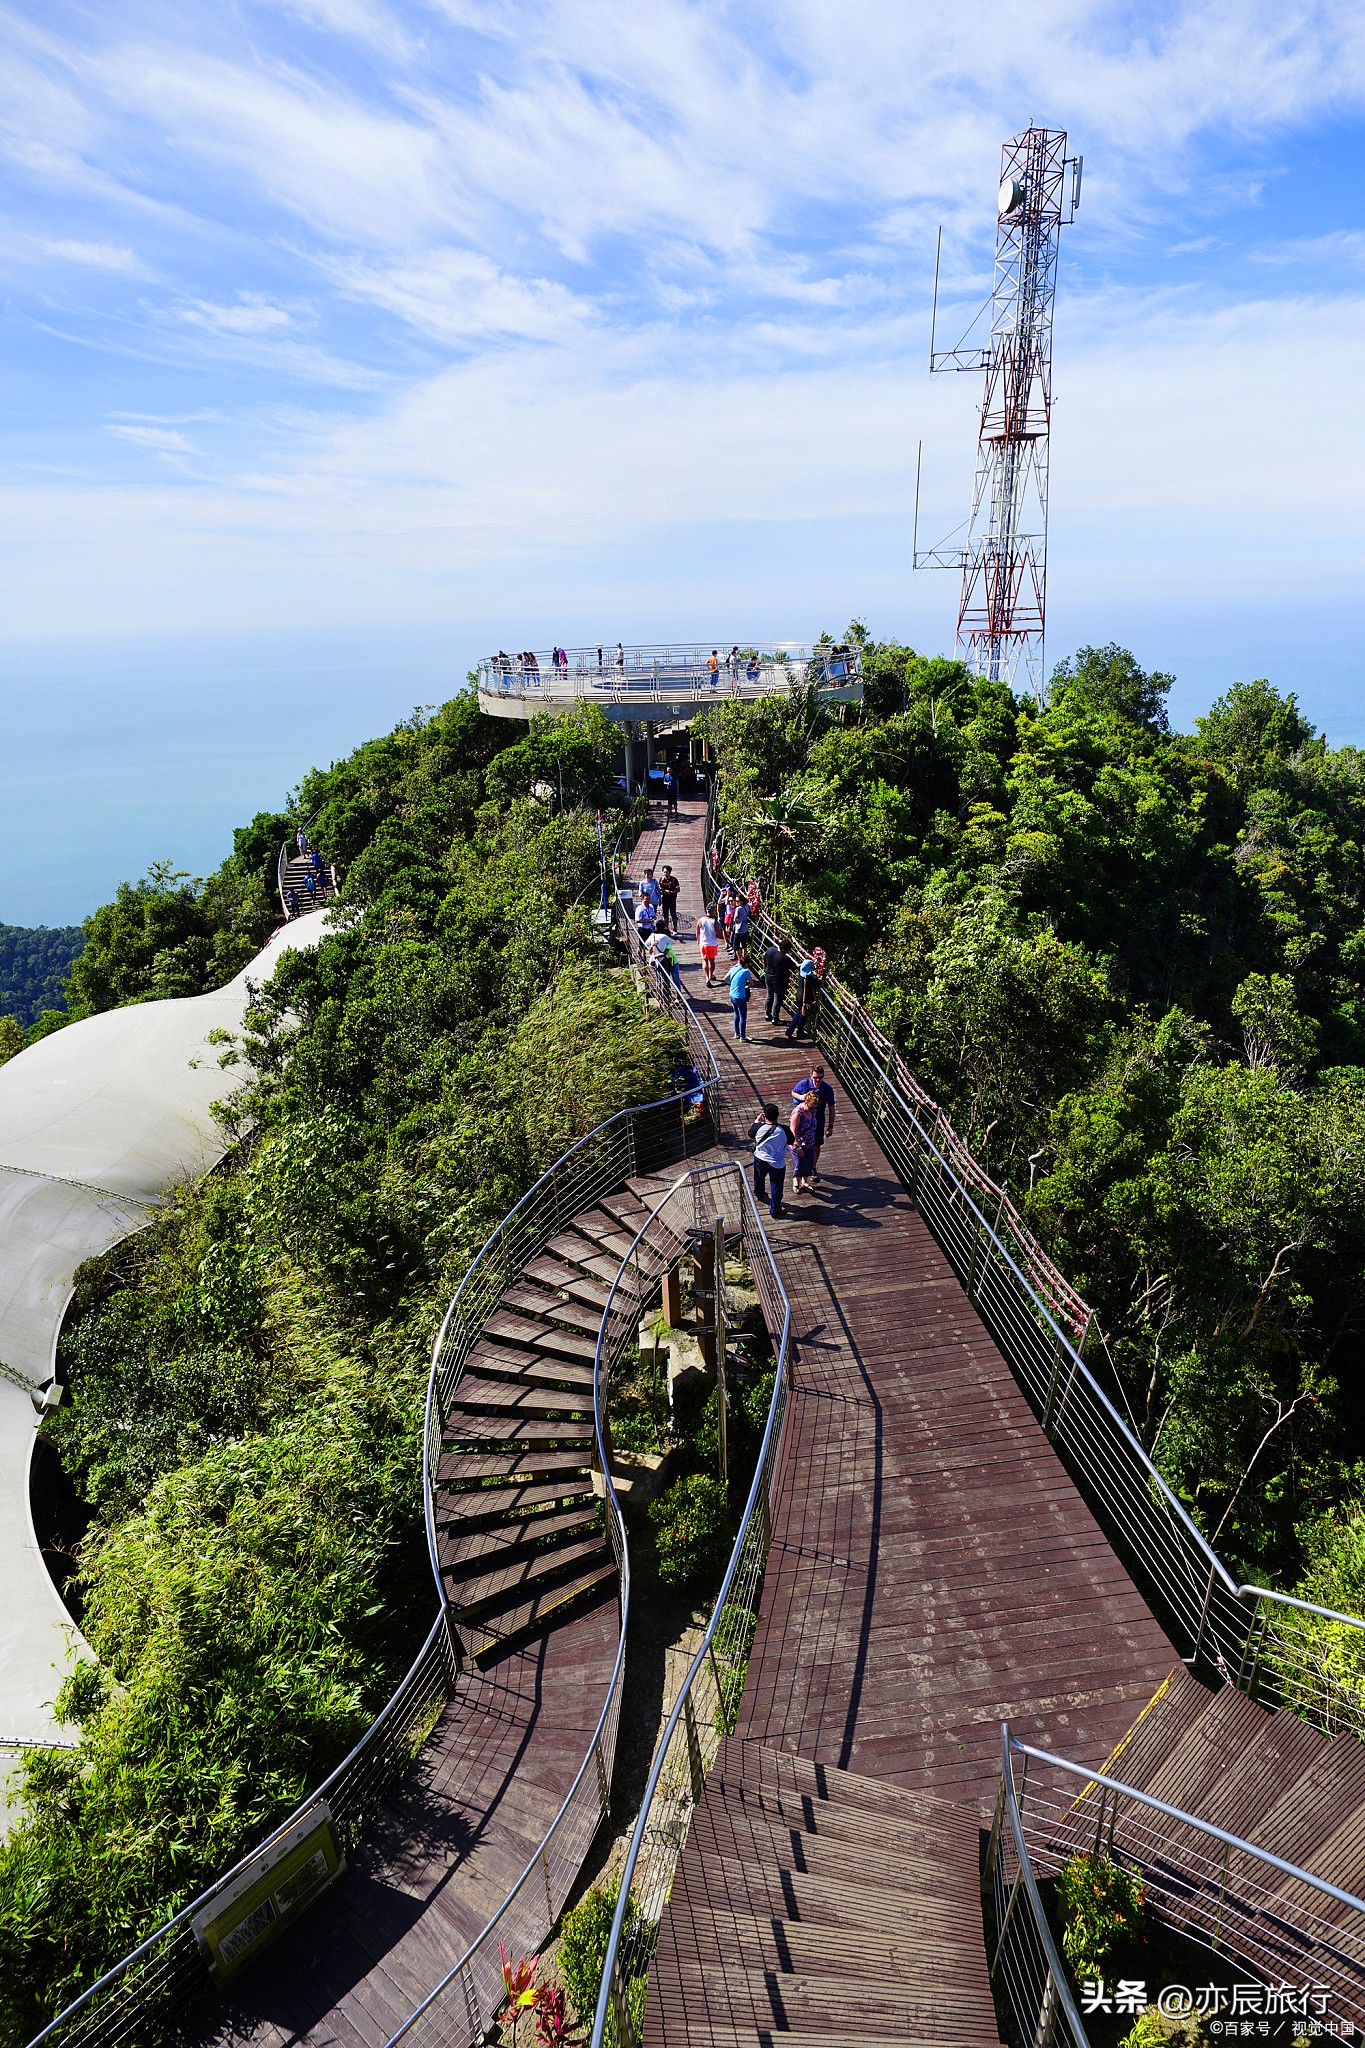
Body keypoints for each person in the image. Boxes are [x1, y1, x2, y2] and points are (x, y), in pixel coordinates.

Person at [791, 1064, 836, 1179]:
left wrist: (830, 1126)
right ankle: (800, 1172)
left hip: (817, 1121)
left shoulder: (827, 1089)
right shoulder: (804, 1084)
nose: (818, 1080)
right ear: (811, 1075)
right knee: (799, 1144)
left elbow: (831, 1108)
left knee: (816, 1145)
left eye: (820, 1077)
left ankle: (813, 1167)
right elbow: (793, 1092)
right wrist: (801, 1097)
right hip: (802, 1120)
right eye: (815, 1077)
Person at [749, 1103, 789, 1218]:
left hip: (760, 1158)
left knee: (759, 1177)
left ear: (765, 1116)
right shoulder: (783, 1129)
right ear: (777, 1115)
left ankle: (759, 1194)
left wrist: (757, 1121)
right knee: (776, 1186)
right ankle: (775, 1210)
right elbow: (791, 1140)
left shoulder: (758, 1128)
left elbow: (751, 1134)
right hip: (777, 1163)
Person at [789, 1089, 818, 1192]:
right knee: (801, 1163)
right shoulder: (798, 1113)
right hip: (798, 1143)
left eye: (814, 1108)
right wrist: (798, 1147)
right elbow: (793, 1131)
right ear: (806, 1102)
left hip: (809, 1141)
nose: (811, 1109)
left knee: (810, 1162)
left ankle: (805, 1181)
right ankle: (796, 1180)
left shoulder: (813, 1110)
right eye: (810, 1107)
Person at [785, 957, 820, 1041]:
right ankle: (799, 1031)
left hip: (799, 996)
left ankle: (790, 1030)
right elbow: (817, 984)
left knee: (799, 1012)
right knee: (803, 1015)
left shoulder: (801, 973)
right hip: (806, 998)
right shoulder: (809, 977)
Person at [763, 938, 791, 1024]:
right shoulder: (784, 958)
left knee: (769, 995)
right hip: (778, 981)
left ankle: (767, 1014)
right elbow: (793, 967)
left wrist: (765, 970)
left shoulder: (770, 950)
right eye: (788, 950)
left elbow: (764, 960)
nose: (789, 952)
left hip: (768, 977)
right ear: (783, 949)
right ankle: (775, 1018)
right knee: (777, 999)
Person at [727, 955, 751, 1040]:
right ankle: (743, 1037)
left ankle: (736, 1033)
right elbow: (752, 983)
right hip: (740, 996)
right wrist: (744, 985)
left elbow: (725, 979)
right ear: (746, 964)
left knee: (736, 1014)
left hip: (732, 995)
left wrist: (733, 984)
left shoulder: (732, 969)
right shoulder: (745, 971)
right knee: (743, 1016)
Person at [696, 908, 720, 984]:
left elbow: (697, 931)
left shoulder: (700, 920)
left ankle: (707, 978)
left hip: (703, 943)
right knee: (712, 961)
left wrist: (698, 940)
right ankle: (711, 975)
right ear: (712, 912)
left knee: (705, 961)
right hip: (712, 944)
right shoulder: (714, 921)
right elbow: (719, 934)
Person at [658, 865, 680, 932]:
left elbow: (678, 889)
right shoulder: (661, 879)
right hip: (664, 899)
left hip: (672, 899)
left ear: (670, 872)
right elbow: (659, 888)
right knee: (665, 914)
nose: (665, 874)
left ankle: (675, 929)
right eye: (664, 872)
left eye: (667, 872)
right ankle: (666, 929)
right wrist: (662, 890)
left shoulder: (674, 880)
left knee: (673, 913)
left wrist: (670, 892)